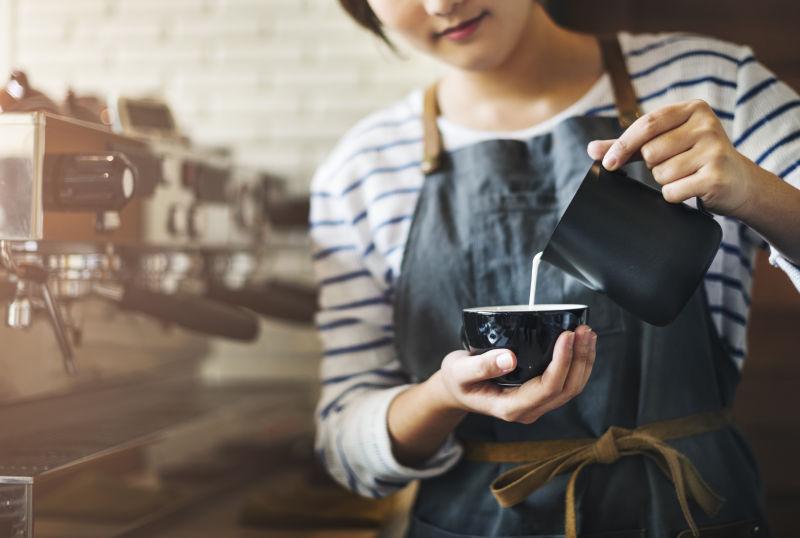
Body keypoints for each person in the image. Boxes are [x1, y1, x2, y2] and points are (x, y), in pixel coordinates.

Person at [309, 1, 800, 536]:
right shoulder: (363, 170)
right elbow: (345, 445)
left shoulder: (715, 83)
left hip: (690, 512)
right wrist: (441, 397)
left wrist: (757, 192)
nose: (441, 4)